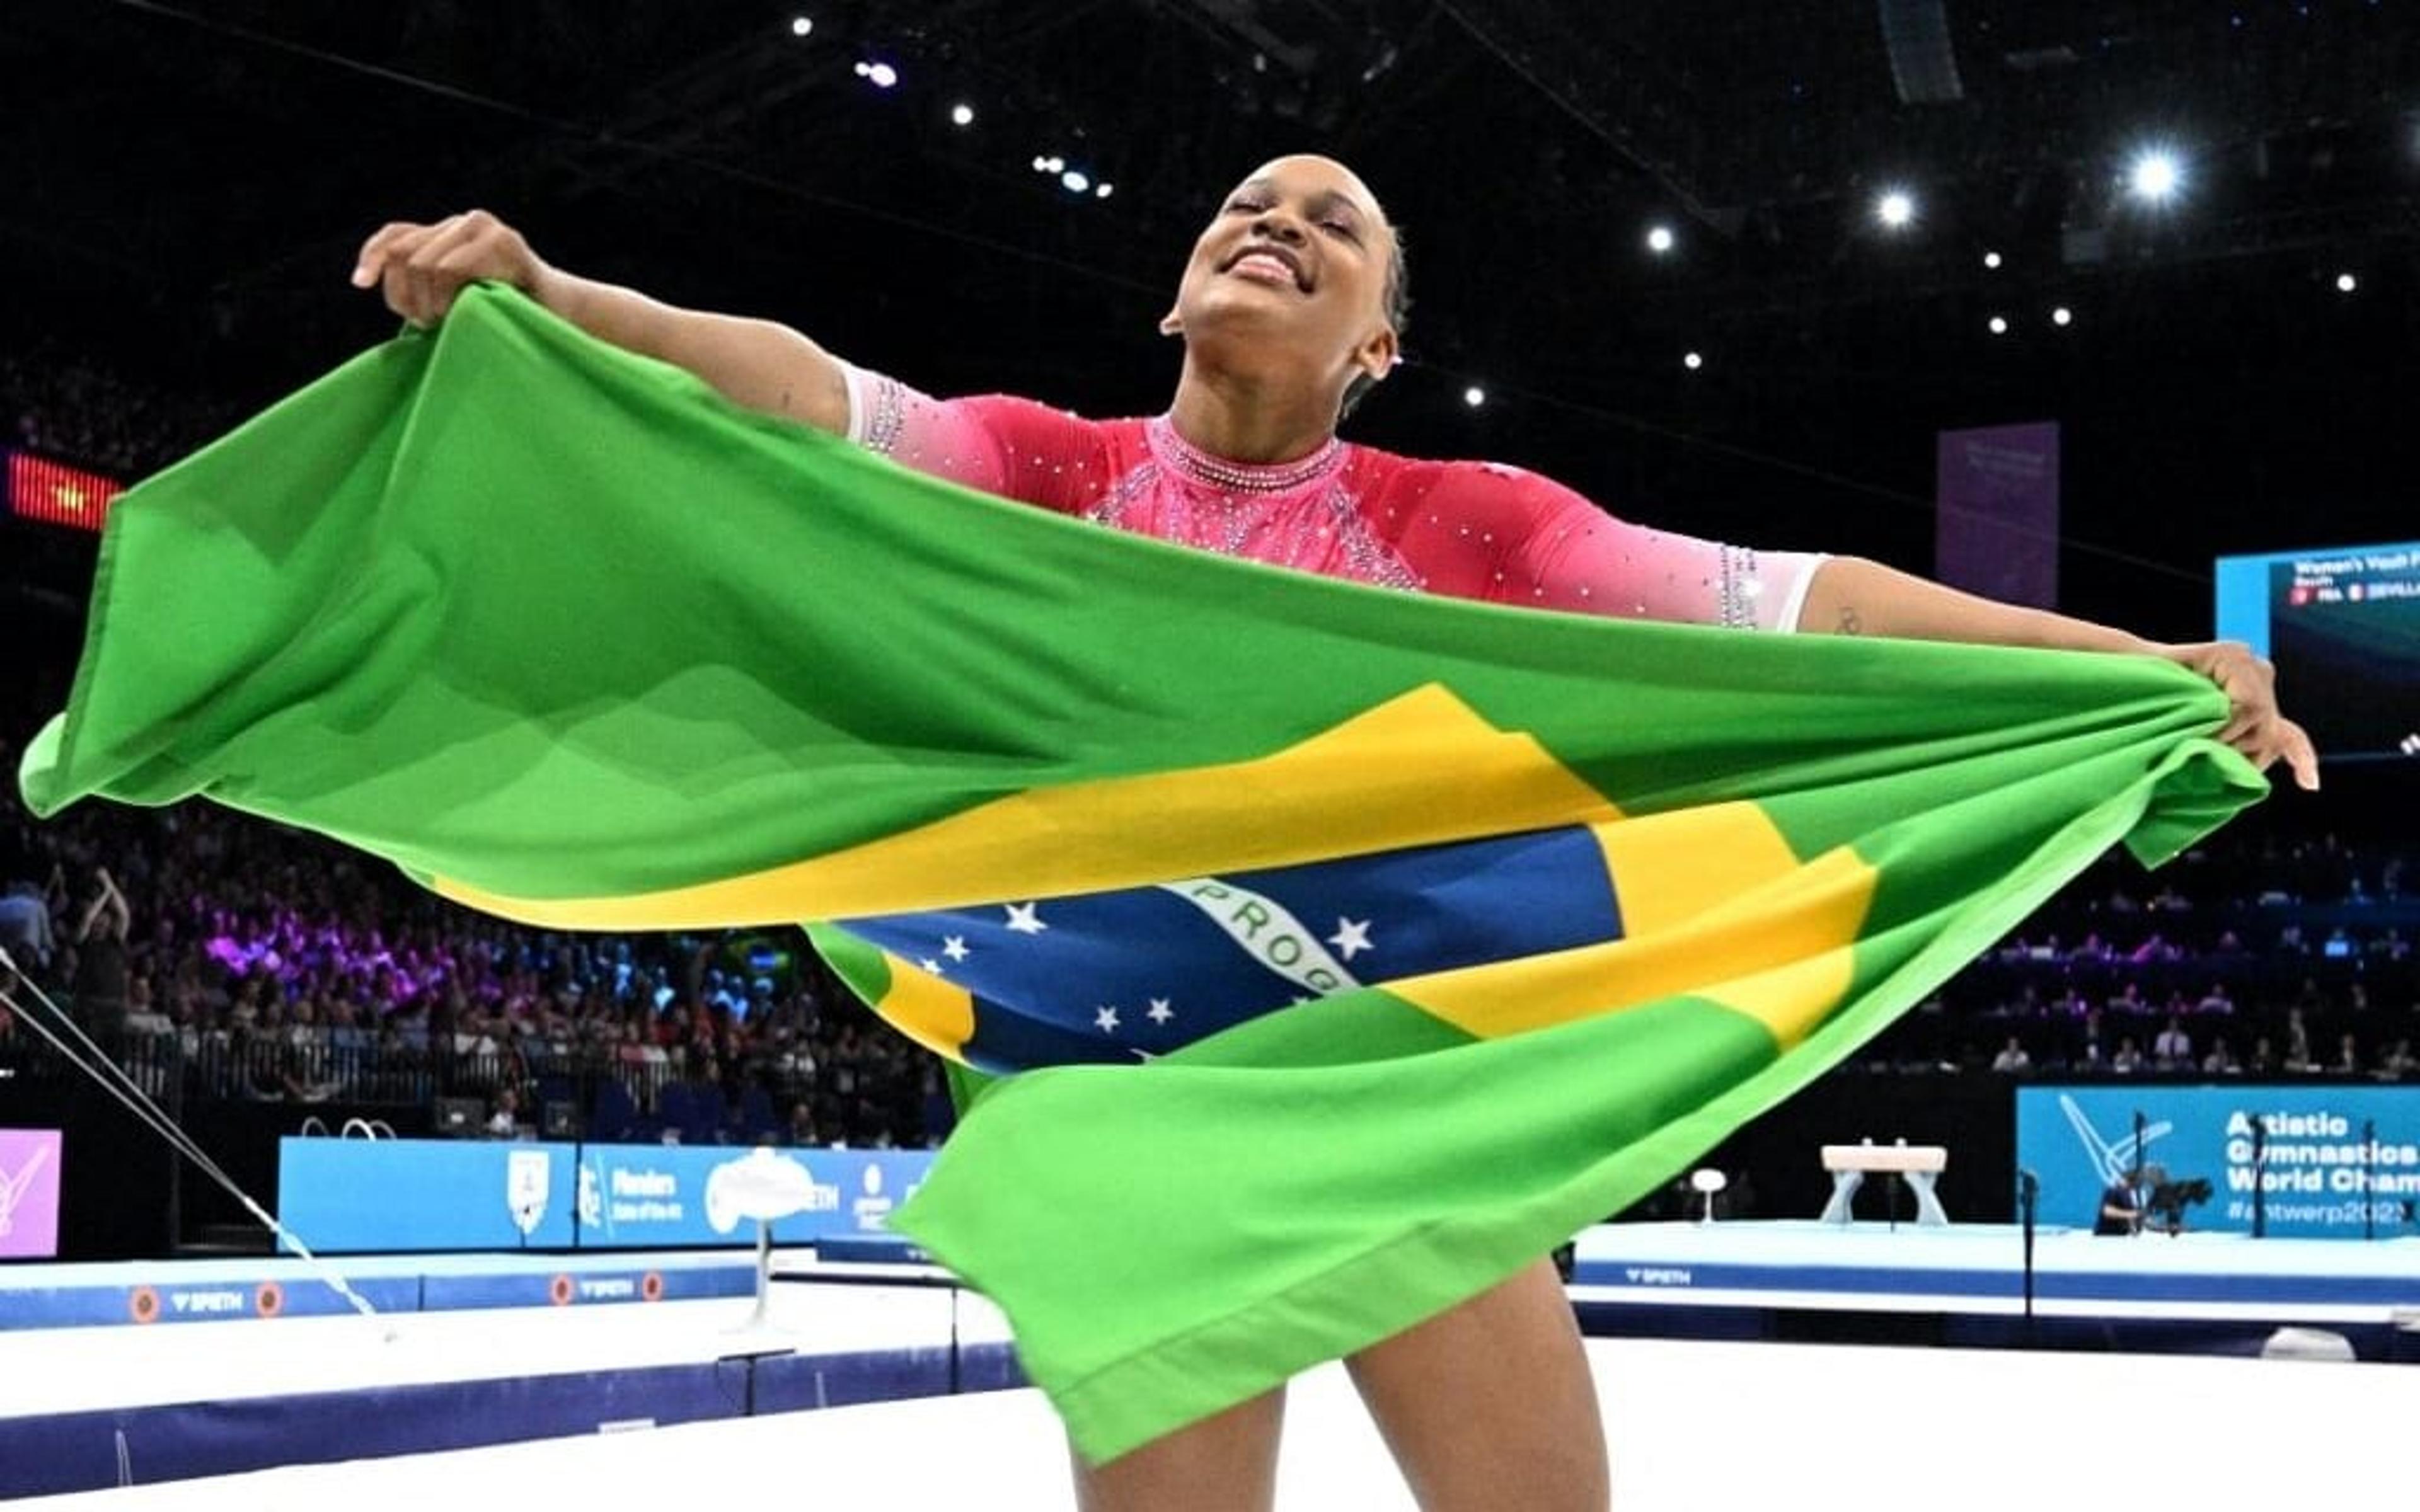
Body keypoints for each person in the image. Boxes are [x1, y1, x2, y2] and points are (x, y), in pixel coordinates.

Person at [352, 156, 2317, 1512]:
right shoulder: (1037, 469)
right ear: (1177, 284)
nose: (1277, 225)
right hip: (1122, 1093)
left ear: (1378, 341)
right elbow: (801, 398)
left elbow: (1802, 602)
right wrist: (561, 297)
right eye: (1245, 207)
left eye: (1334, 225)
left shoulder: (1477, 526)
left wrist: (2121, 653)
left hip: (1380, 1082)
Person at [2095, 1168, 2144, 1235]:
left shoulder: (2129, 1195)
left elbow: (2130, 1216)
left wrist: (2133, 1229)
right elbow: (2107, 1211)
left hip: (2121, 1236)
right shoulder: (2113, 1191)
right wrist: (2129, 1214)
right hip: (2105, 1235)